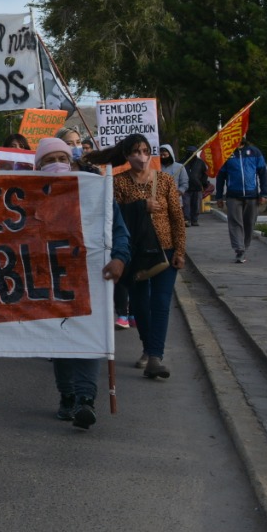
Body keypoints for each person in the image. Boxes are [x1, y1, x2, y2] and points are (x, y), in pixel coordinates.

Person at [35, 138, 130, 429]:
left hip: (91, 277)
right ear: (38, 167)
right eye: (49, 160)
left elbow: (119, 230)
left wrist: (120, 259)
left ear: (72, 160)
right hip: (48, 278)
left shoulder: (95, 190)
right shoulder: (27, 194)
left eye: (62, 157)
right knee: (61, 340)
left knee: (89, 338)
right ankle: (67, 395)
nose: (57, 164)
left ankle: (85, 400)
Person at [85, 133, 186, 379]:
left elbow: (177, 218)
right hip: (135, 252)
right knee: (140, 304)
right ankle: (147, 345)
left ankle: (155, 356)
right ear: (127, 156)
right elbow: (113, 216)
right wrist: (141, 207)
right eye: (135, 152)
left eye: (145, 151)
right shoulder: (118, 182)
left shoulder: (165, 181)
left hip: (165, 250)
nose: (141, 157)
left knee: (161, 304)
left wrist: (180, 251)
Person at [214, 137, 267, 263]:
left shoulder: (255, 152)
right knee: (235, 223)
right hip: (233, 196)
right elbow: (221, 176)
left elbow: (263, 173)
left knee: (249, 223)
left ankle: (245, 247)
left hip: (252, 195)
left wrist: (264, 193)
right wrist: (219, 197)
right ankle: (239, 250)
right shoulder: (227, 153)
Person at [182, 146, 210, 227]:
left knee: (196, 205)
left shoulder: (200, 162)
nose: (190, 154)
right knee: (186, 204)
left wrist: (203, 184)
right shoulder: (182, 162)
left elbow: (205, 174)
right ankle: (187, 219)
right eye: (188, 152)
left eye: (192, 152)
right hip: (185, 188)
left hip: (197, 188)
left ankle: (194, 220)